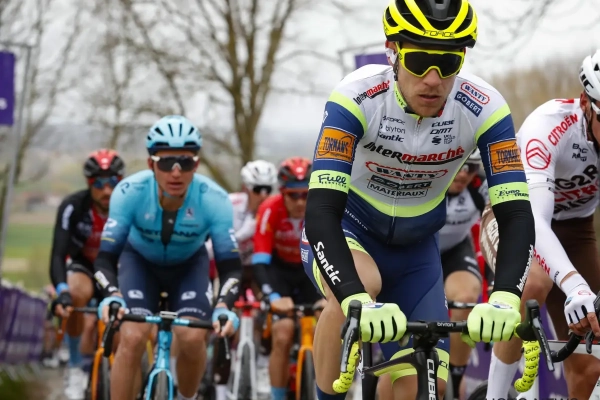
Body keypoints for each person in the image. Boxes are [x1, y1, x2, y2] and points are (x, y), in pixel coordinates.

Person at [300, 0, 538, 398]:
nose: (433, 79)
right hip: (348, 232)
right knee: (360, 289)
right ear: (392, 51)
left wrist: (505, 296)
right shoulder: (356, 96)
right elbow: (322, 209)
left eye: (447, 64)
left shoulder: (485, 108)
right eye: (420, 60)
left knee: (424, 386)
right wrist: (354, 295)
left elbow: (515, 214)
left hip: (417, 252)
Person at [92, 115, 242, 400]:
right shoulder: (129, 192)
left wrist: (224, 305)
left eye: (185, 162)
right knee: (132, 336)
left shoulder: (215, 199)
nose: (176, 172)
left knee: (193, 337)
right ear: (151, 164)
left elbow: (231, 266)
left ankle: (187, 397)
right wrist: (111, 294)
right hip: (139, 263)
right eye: (166, 162)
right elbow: (105, 259)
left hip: (188, 267)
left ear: (196, 164)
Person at [481, 50, 600, 399]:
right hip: (516, 217)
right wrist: (575, 284)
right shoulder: (549, 127)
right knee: (534, 281)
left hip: (577, 231)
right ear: (586, 103)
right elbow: (535, 222)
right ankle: (495, 395)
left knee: (590, 365)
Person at [49, 149, 125, 400]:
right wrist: (62, 292)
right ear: (88, 183)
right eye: (99, 184)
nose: (107, 190)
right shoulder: (73, 206)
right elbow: (58, 255)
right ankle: (74, 366)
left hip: (116, 267)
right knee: (75, 294)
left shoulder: (130, 206)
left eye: (113, 182)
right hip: (85, 265)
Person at [251, 156, 324, 400]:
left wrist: (331, 294)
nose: (300, 202)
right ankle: (277, 396)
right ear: (282, 193)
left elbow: (335, 255)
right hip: (279, 272)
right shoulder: (269, 209)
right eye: (293, 196)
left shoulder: (321, 209)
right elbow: (259, 261)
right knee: (282, 333)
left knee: (325, 325)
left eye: (305, 194)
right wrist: (271, 296)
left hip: (310, 270)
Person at [204, 159, 278, 400]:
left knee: (270, 308)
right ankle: (220, 387)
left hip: (256, 269)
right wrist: (248, 229)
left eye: (268, 189)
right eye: (258, 189)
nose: (263, 195)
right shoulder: (230, 205)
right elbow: (213, 247)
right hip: (229, 267)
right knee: (223, 321)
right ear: (246, 188)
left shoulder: (273, 208)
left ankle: (263, 365)